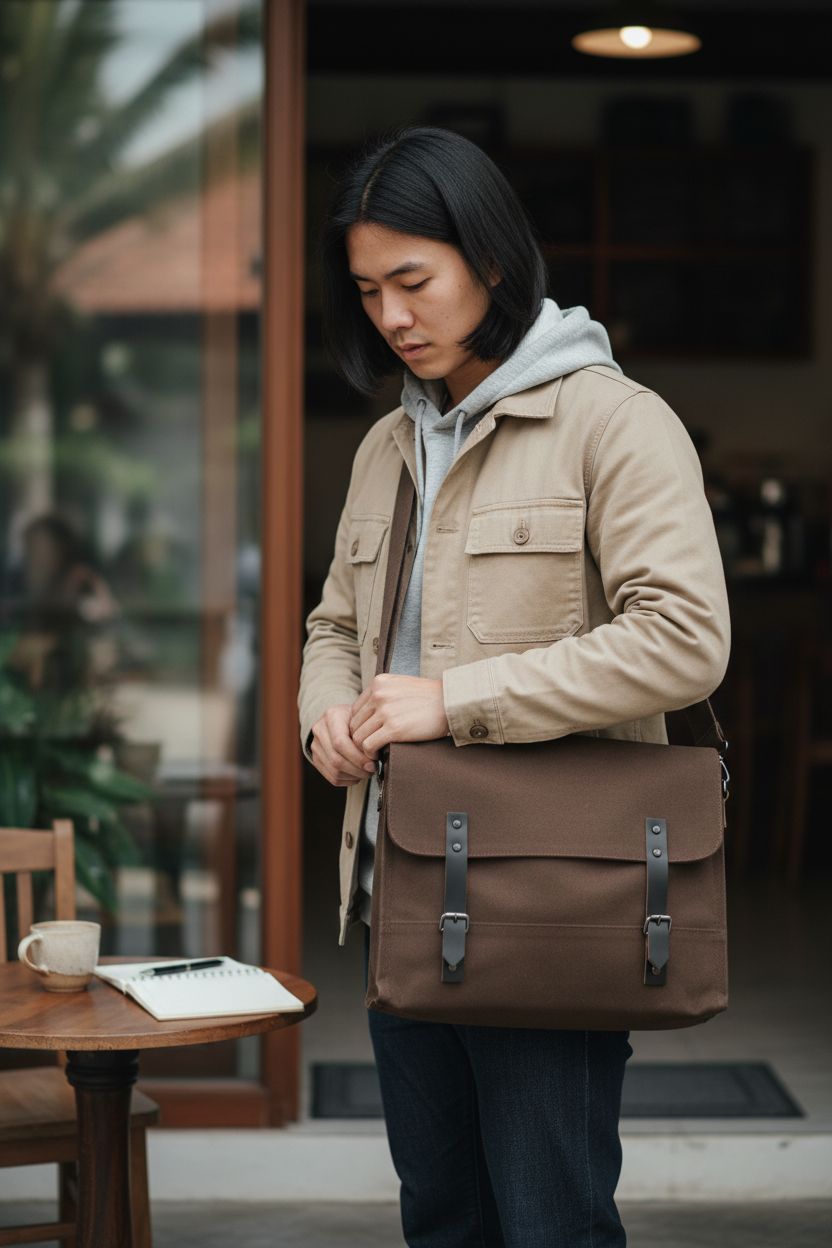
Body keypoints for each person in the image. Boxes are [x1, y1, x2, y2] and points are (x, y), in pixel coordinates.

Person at [298, 125, 731, 1248]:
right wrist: (323, 721)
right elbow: (336, 625)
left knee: (550, 1225)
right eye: (366, 289)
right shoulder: (387, 444)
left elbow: (685, 638)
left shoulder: (614, 423)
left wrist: (453, 701)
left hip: (553, 900)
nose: (390, 315)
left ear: (487, 260)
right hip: (407, 888)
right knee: (441, 1217)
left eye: (412, 281)